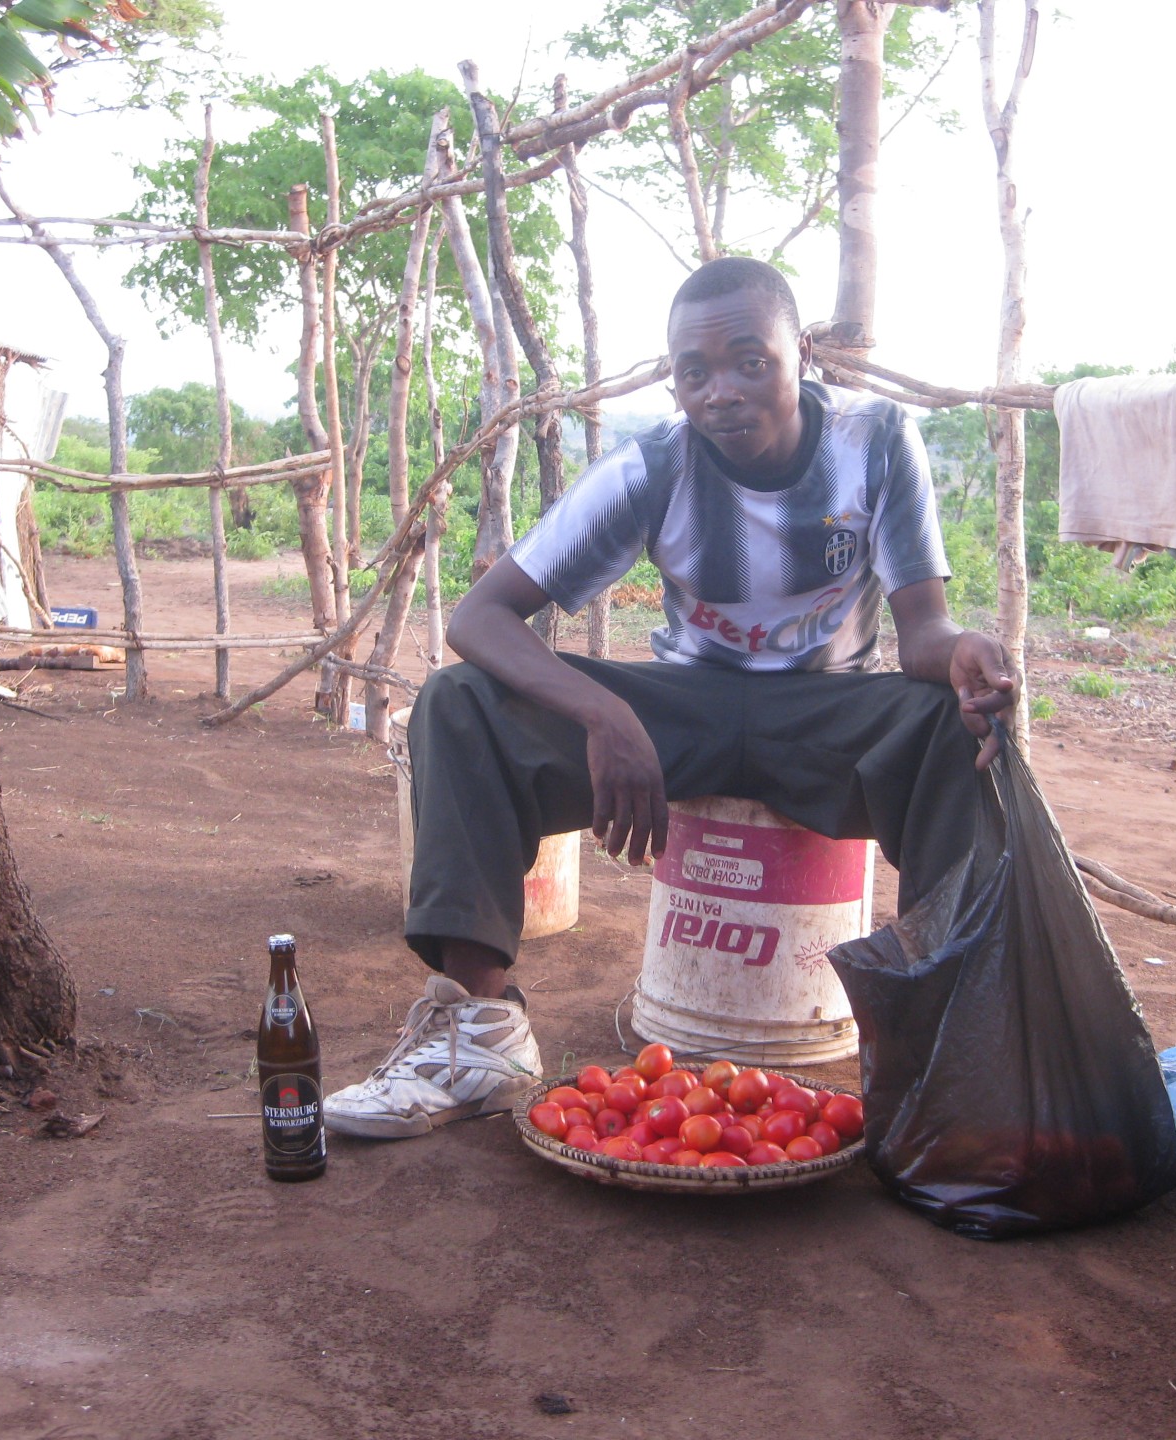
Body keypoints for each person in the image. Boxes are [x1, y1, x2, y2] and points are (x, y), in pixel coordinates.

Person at [322, 256, 1018, 1139]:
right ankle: (476, 1035)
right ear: (674, 378)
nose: (720, 390)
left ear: (800, 354)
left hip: (827, 712)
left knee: (954, 731)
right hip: (683, 705)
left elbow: (922, 634)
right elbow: (481, 619)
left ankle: (947, 1045)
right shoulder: (651, 466)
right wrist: (605, 715)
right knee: (461, 704)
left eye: (749, 361)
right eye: (695, 371)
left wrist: (962, 654)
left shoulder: (876, 442)